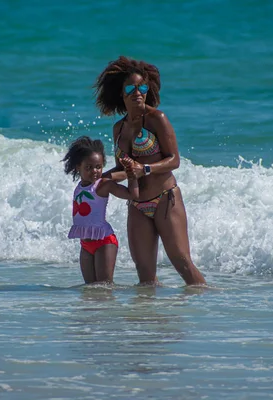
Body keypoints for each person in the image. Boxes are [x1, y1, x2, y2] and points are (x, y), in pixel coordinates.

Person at [94, 56, 207, 286]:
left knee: (182, 263)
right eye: (131, 88)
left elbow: (174, 160)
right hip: (137, 205)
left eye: (142, 87)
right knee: (144, 275)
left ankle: (207, 307)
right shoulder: (119, 128)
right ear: (121, 93)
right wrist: (101, 179)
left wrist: (144, 168)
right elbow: (123, 170)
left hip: (166, 199)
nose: (138, 92)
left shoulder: (157, 119)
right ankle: (149, 320)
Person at [63, 136, 139, 284]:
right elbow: (113, 175)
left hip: (104, 242)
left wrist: (132, 175)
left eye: (98, 167)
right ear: (78, 167)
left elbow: (133, 195)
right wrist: (125, 173)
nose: (94, 171)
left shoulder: (103, 185)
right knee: (90, 290)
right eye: (89, 167)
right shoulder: (80, 186)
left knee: (104, 288)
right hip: (85, 244)